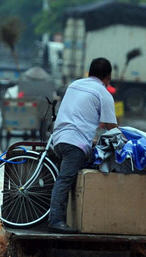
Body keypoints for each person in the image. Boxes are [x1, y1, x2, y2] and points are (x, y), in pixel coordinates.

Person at [47, 57, 118, 233]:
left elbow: (75, 115)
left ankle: (72, 216)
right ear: (108, 78)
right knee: (65, 180)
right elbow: (113, 130)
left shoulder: (74, 85)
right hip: (74, 145)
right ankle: (55, 221)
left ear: (90, 72)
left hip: (58, 139)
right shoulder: (103, 94)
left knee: (66, 177)